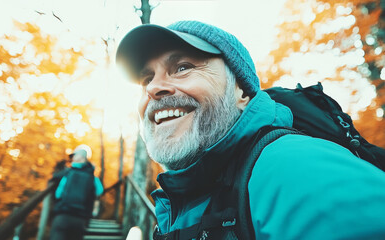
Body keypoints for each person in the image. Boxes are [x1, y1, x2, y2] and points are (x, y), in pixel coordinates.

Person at [116, 21, 385, 239]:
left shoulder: (292, 165)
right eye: (146, 79)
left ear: (242, 92)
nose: (153, 88)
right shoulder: (188, 194)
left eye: (183, 67)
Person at [50, 144, 104, 240]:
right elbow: (100, 191)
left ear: (81, 156)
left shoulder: (67, 173)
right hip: (81, 219)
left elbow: (58, 194)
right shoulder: (93, 177)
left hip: (63, 215)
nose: (72, 157)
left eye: (74, 155)